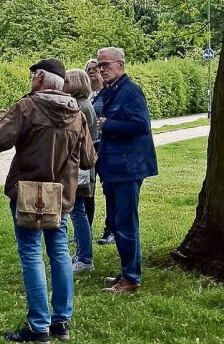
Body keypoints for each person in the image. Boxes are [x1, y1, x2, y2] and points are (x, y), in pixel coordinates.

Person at [0, 58, 96, 342]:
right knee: (59, 252)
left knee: (31, 253)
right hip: (61, 194)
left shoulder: (27, 107)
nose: (31, 80)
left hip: (27, 192)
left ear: (42, 78)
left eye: (34, 76)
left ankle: (38, 325)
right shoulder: (77, 114)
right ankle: (61, 322)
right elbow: (90, 159)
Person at [94, 47, 158, 294]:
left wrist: (109, 124)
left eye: (106, 65)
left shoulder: (131, 91)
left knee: (126, 222)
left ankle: (131, 278)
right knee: (116, 221)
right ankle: (126, 271)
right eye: (99, 66)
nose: (102, 70)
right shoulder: (112, 91)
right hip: (113, 167)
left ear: (120, 65)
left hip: (127, 169)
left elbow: (141, 125)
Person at [63, 69, 97, 273]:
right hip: (84, 166)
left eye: (66, 80)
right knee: (79, 211)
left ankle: (85, 258)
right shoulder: (84, 104)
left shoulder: (79, 107)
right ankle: (83, 254)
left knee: (77, 212)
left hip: (79, 168)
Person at [86, 58, 113, 246]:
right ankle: (84, 230)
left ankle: (110, 229)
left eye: (95, 69)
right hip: (89, 148)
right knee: (87, 189)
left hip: (103, 147)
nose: (91, 72)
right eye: (88, 69)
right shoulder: (88, 95)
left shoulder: (108, 94)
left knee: (108, 189)